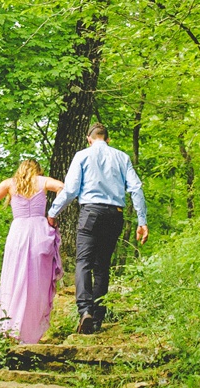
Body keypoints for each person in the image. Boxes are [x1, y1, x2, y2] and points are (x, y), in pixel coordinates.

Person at [48, 124, 148, 334]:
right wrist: (142, 221)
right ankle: (97, 318)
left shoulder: (82, 156)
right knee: (102, 266)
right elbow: (136, 187)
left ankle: (85, 311)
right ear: (108, 139)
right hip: (115, 214)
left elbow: (71, 189)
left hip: (91, 213)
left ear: (89, 139)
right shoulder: (122, 157)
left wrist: (53, 212)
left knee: (83, 262)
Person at [0, 159, 64, 344]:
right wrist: (53, 212)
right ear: (37, 170)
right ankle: (32, 331)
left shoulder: (9, 184)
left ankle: (11, 327)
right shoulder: (42, 181)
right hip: (39, 232)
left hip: (19, 234)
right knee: (38, 282)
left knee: (14, 278)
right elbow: (64, 187)